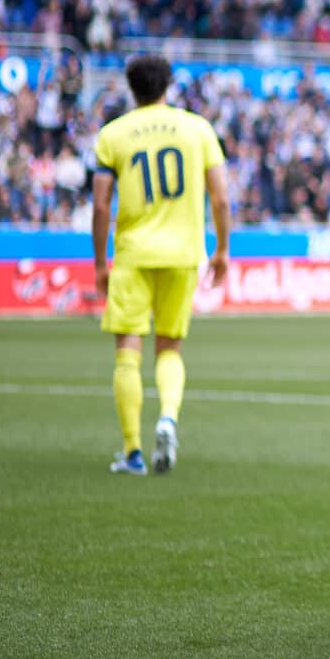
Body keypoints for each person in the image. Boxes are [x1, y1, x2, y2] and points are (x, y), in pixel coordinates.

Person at [92, 55, 232, 476]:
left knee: (127, 354)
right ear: (168, 85)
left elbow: (100, 206)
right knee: (169, 346)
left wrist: (100, 261)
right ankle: (168, 417)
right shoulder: (197, 128)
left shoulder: (112, 135)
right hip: (184, 253)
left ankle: (133, 451)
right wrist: (222, 249)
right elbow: (221, 198)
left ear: (130, 88)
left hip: (133, 253)